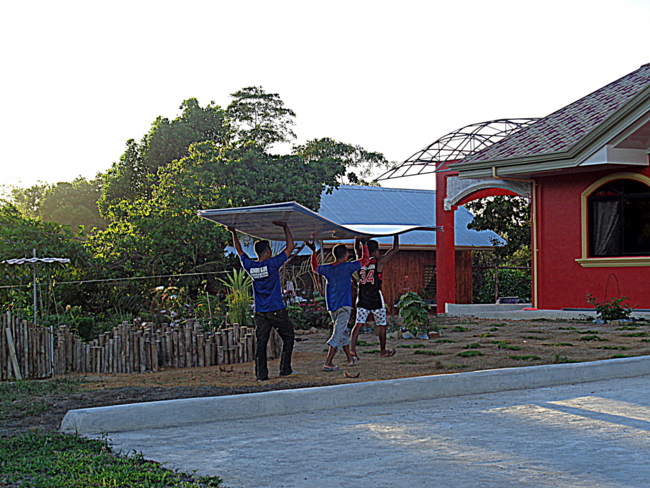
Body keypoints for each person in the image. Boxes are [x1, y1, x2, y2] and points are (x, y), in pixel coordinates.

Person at [229, 221, 296, 381]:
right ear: (267, 251)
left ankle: (261, 374)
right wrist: (286, 227)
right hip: (276, 309)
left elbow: (240, 252)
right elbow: (290, 247)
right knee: (289, 337)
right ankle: (285, 369)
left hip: (260, 311)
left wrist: (233, 233)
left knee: (261, 343)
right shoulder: (272, 264)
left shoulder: (251, 266)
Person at [308, 239, 370, 371]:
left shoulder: (328, 269)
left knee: (342, 332)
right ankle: (328, 362)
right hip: (344, 305)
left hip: (332, 306)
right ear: (345, 255)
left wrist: (313, 251)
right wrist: (364, 245)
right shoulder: (347, 267)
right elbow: (365, 261)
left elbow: (315, 268)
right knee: (337, 335)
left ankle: (349, 359)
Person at [350, 235, 400, 360]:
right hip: (375, 297)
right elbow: (395, 249)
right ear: (376, 251)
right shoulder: (379, 262)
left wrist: (359, 238)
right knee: (381, 324)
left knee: (358, 324)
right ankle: (383, 350)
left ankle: (352, 349)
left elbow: (356, 248)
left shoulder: (360, 261)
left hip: (362, 296)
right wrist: (396, 234)